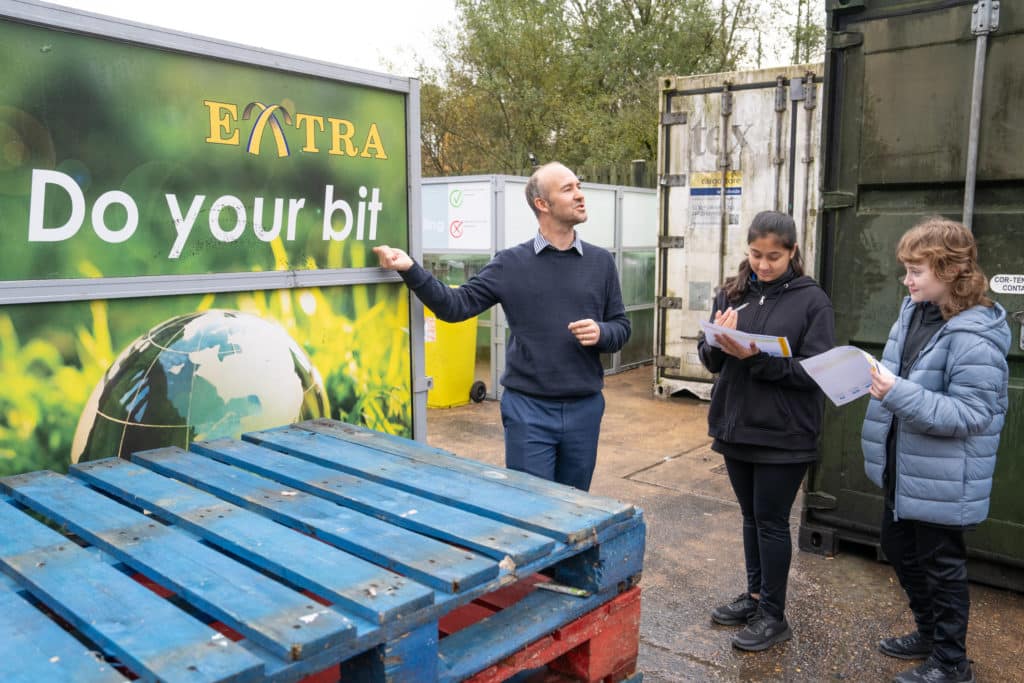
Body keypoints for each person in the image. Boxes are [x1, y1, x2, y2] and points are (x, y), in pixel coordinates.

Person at [373, 162, 630, 491]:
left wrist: (601, 333)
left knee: (576, 509)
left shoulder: (601, 262)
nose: (580, 195)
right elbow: (456, 306)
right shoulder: (511, 263)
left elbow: (621, 327)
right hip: (529, 411)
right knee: (530, 509)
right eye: (568, 189)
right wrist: (409, 269)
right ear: (542, 204)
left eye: (578, 186)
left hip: (585, 409)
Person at [861, 217, 1009, 683]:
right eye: (905, 269)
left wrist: (896, 393)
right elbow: (893, 373)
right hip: (903, 466)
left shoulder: (974, 334)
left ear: (948, 271)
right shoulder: (913, 312)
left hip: (944, 476)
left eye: (915, 271)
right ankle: (927, 633)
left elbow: (971, 414)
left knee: (942, 569)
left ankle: (951, 662)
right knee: (898, 547)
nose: (906, 280)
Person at [697, 210, 834, 651]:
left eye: (774, 256)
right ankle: (755, 597)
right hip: (737, 426)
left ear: (793, 252)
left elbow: (815, 372)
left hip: (784, 433)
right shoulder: (732, 292)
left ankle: (774, 616)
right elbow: (711, 358)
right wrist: (716, 341)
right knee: (751, 517)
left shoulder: (813, 302)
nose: (763, 264)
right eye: (756, 254)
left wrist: (754, 357)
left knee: (772, 522)